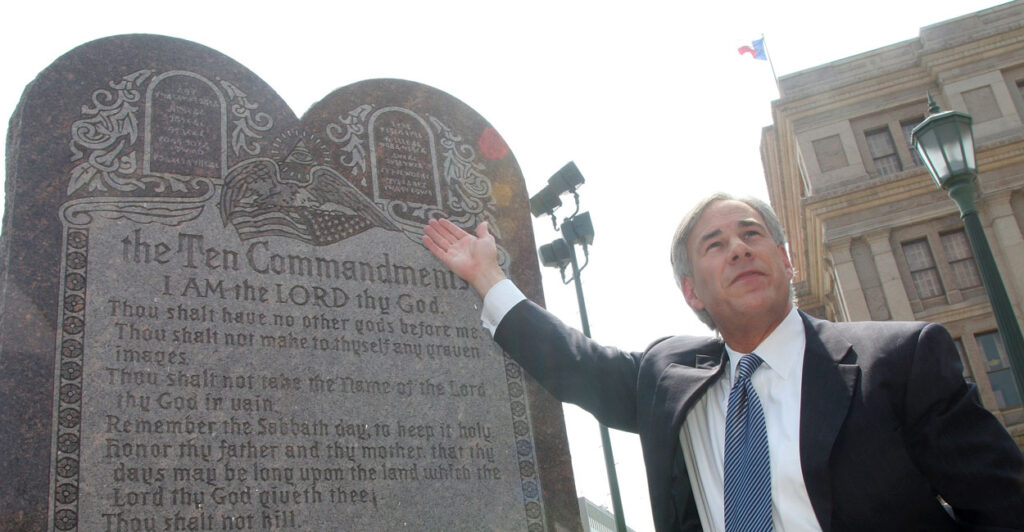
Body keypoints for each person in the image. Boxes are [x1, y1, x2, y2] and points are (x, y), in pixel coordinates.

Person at [422, 193, 1024, 531]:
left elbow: (1005, 505)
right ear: (692, 292)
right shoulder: (668, 380)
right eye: (716, 245)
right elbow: (578, 364)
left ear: (788, 261)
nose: (739, 247)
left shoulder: (898, 360)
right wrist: (489, 277)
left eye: (752, 234)